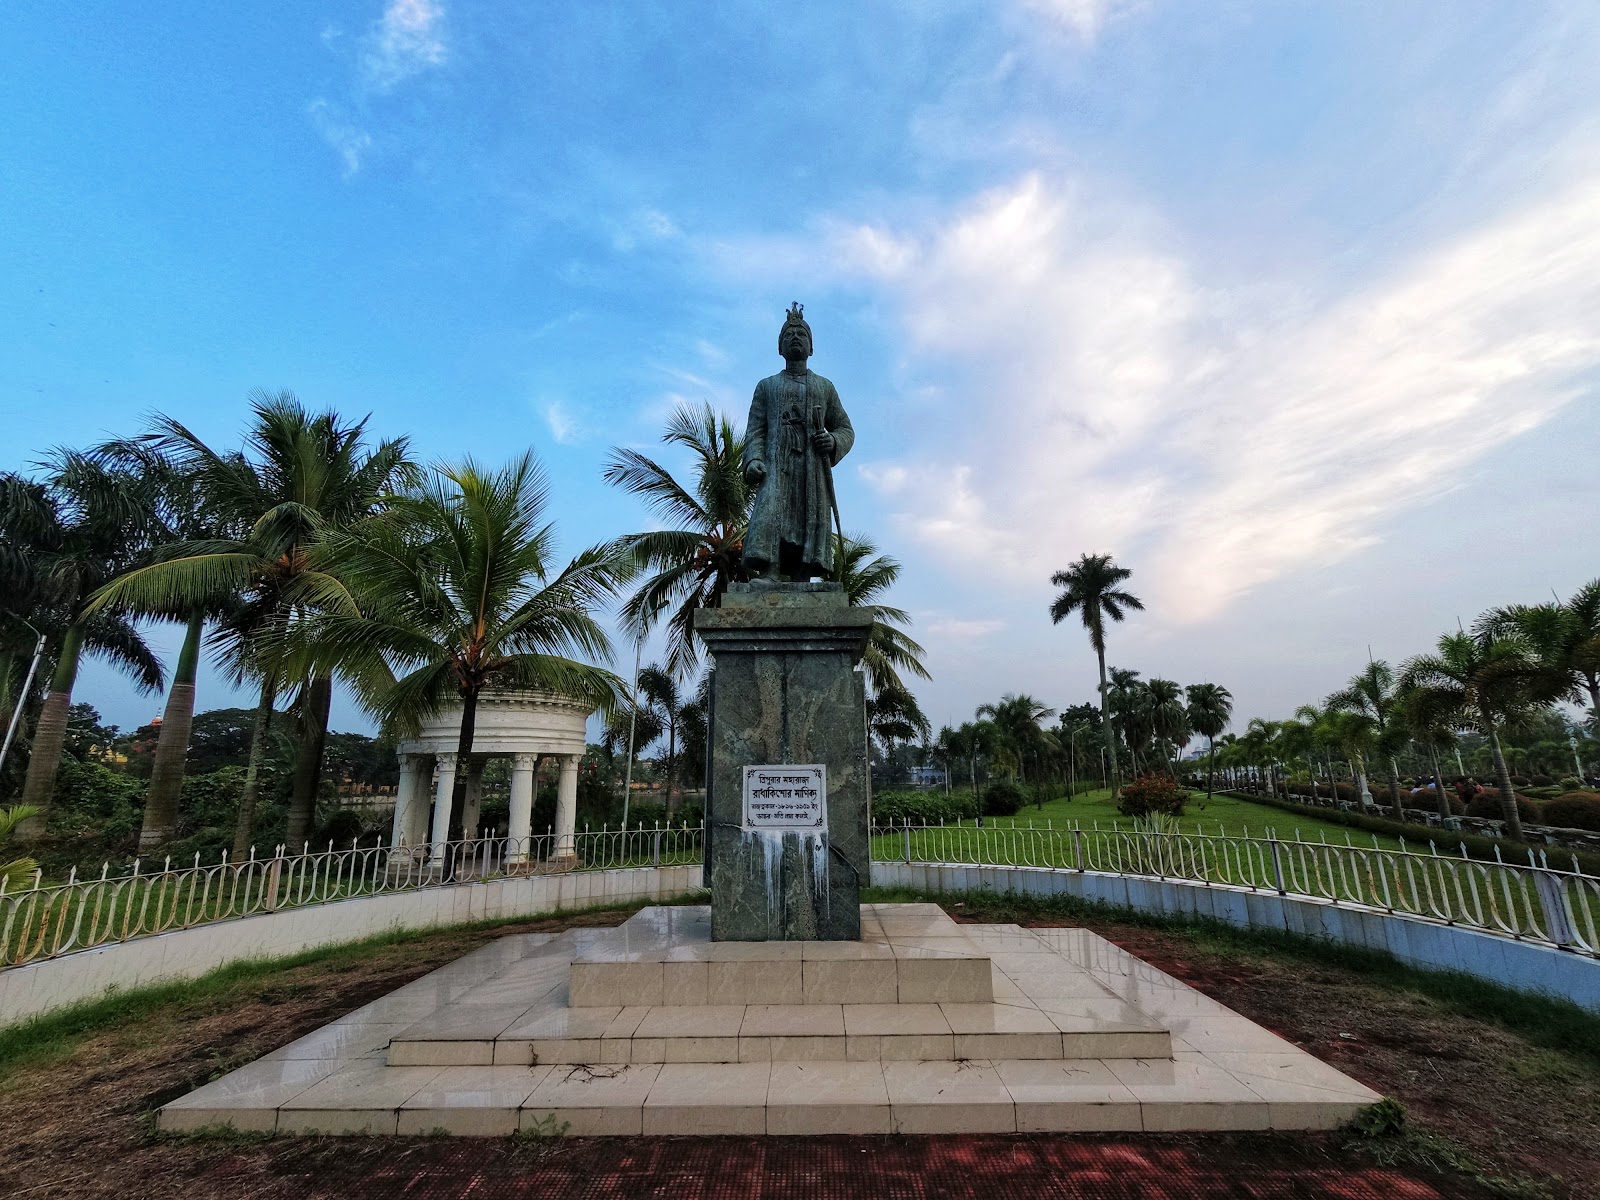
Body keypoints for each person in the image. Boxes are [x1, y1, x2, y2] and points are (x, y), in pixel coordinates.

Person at [741, 303, 854, 580]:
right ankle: (771, 569)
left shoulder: (824, 387)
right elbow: (756, 430)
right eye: (788, 335)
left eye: (801, 334)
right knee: (772, 514)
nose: (795, 338)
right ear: (779, 348)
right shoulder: (766, 386)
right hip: (777, 467)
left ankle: (804, 573)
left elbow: (845, 428)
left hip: (811, 469)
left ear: (811, 348)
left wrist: (832, 441)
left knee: (807, 519)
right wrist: (754, 459)